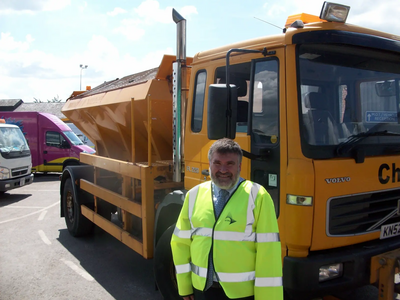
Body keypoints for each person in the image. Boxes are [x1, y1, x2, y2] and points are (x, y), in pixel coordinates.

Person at [171, 138, 283, 300]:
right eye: (217, 163)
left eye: (230, 163)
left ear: (239, 166)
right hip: (203, 291)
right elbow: (180, 243)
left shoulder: (258, 196)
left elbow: (269, 253)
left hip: (242, 294)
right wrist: (184, 286)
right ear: (209, 164)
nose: (223, 169)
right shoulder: (194, 195)